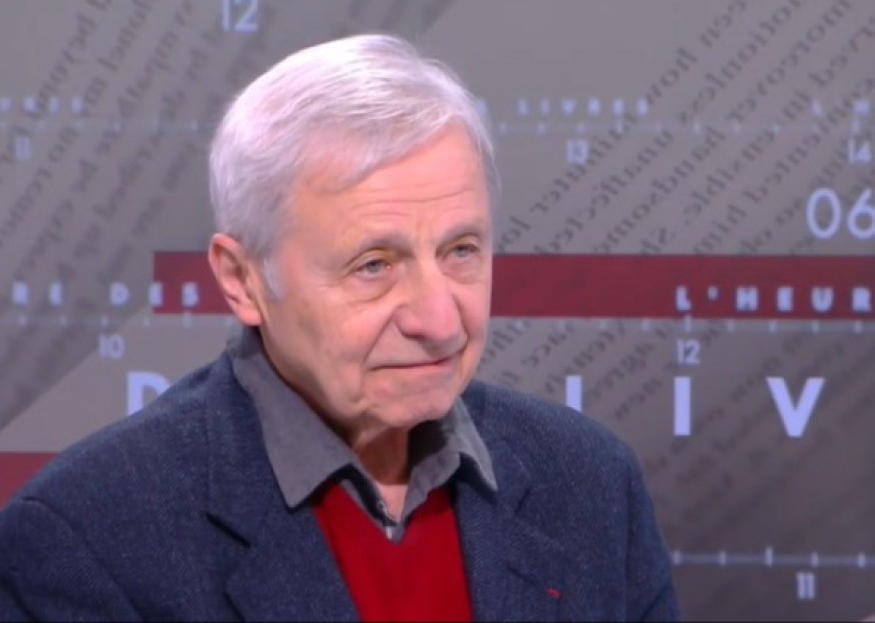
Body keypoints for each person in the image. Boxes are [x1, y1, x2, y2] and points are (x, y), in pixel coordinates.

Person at [0, 34, 679, 622]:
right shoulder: (87, 537)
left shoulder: (591, 482)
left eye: (460, 250)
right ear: (241, 279)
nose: (440, 320)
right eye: (374, 265)